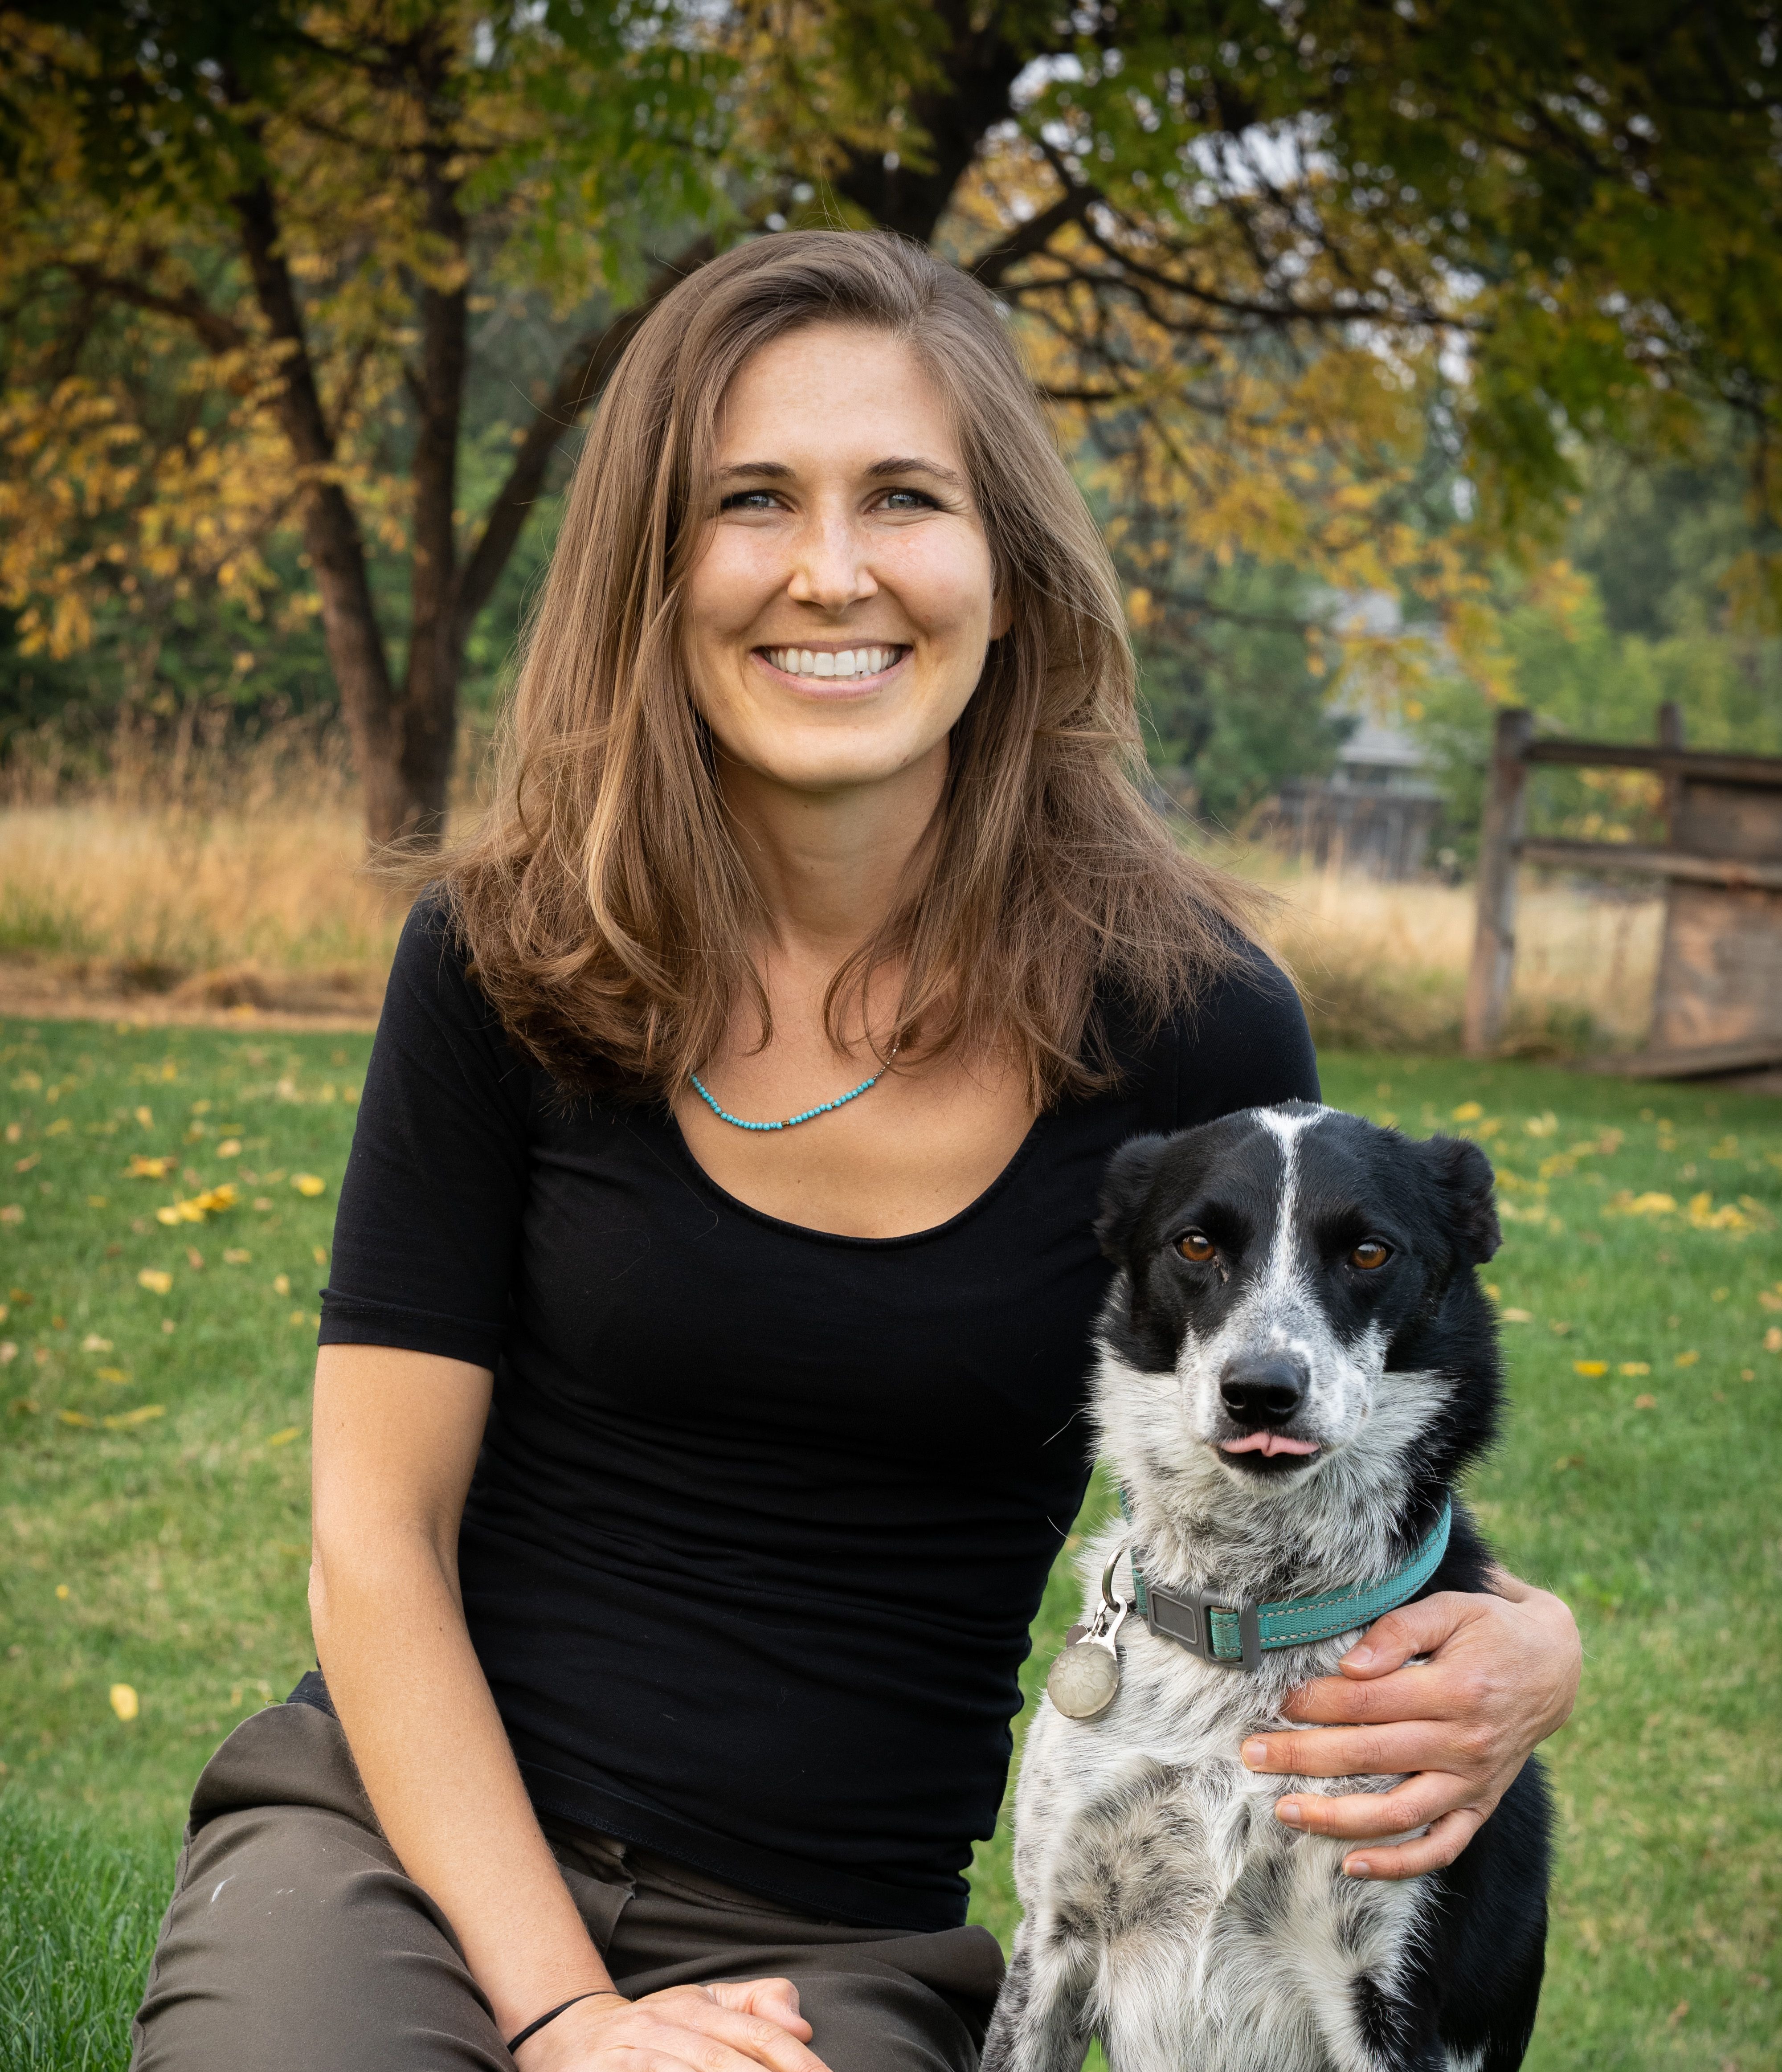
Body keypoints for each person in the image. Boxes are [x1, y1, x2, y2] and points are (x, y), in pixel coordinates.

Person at [130, 232, 1579, 2072]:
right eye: (750, 498)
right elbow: (374, 1537)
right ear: (655, 563)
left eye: (904, 495)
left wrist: (1529, 1636)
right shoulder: (503, 960)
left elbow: (1319, 1438)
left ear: (1006, 566)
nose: (832, 570)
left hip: (839, 1941)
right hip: (395, 1849)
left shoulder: (1189, 1025)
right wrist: (569, 2013)